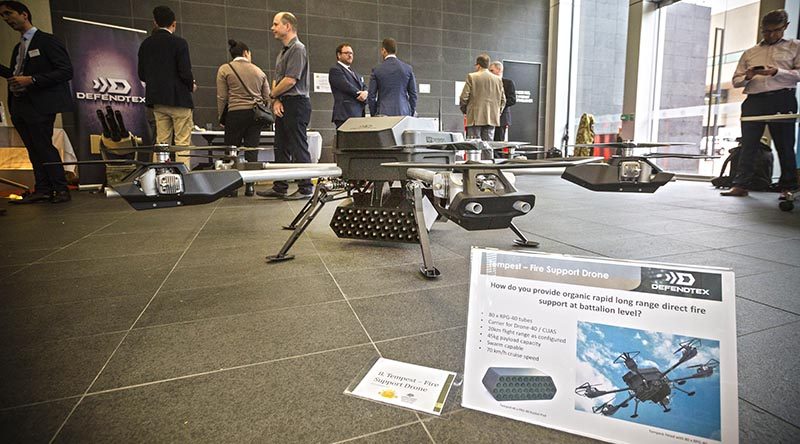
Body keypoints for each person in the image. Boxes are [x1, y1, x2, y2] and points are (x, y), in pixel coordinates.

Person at [0, 1, 73, 204]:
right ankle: (42, 188)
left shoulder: (47, 41)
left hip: (41, 103)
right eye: (3, 16)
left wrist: (32, 79)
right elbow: (16, 74)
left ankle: (60, 189)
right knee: (33, 148)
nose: (6, 19)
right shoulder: (18, 47)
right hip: (20, 104)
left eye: (9, 13)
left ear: (24, 14)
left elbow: (66, 71)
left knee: (44, 146)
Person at [724, 9, 799, 199]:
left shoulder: (795, 46)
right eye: (766, 31)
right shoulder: (751, 52)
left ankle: (788, 187)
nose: (771, 35)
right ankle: (740, 185)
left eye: (776, 30)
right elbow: (736, 81)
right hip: (754, 100)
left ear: (786, 27)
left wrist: (777, 72)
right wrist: (748, 76)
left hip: (782, 99)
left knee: (785, 145)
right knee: (748, 145)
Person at [257, 12, 312, 200]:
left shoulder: (298, 49)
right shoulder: (283, 52)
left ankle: (306, 188)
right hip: (284, 102)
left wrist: (272, 95)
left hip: (297, 103)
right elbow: (277, 80)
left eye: (275, 24)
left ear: (287, 26)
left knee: (298, 146)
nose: (272, 28)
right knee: (280, 146)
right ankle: (280, 186)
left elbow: (290, 80)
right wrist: (276, 100)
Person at [216, 39, 270, 196]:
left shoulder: (225, 69)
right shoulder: (259, 71)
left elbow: (222, 96)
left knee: (232, 150)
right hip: (255, 116)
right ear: (246, 53)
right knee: (252, 150)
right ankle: (250, 186)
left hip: (235, 113)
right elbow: (267, 97)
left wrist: (222, 117)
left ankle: (232, 188)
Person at [137, 5, 195, 147]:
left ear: (155, 23)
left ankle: (161, 169)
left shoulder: (146, 44)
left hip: (157, 100)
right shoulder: (179, 43)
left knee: (162, 143)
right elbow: (185, 72)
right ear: (174, 23)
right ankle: (182, 169)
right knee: (182, 142)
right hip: (179, 99)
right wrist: (191, 85)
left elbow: (142, 74)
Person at [459, 54, 505, 141]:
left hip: (475, 118)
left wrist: (465, 110)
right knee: (488, 147)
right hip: (491, 119)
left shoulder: (472, 77)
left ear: (478, 65)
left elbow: (463, 97)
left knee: (474, 148)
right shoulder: (498, 79)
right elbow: (503, 100)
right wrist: (497, 112)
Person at [367, 38, 417, 117]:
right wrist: (410, 112)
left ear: (383, 50)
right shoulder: (407, 69)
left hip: (383, 113)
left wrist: (374, 114)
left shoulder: (377, 70)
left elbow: (371, 96)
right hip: (403, 113)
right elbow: (413, 94)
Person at [329, 42, 367, 128]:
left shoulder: (355, 73)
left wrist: (366, 93)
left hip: (358, 115)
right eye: (346, 53)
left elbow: (363, 85)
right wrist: (359, 94)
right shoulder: (335, 70)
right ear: (339, 55)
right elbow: (345, 86)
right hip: (345, 114)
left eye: (351, 53)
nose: (350, 55)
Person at [489, 61, 516, 142]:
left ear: (499, 69)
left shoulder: (508, 83)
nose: (490, 73)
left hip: (502, 117)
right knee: (488, 142)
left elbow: (512, 100)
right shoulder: (489, 83)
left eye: (492, 70)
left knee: (499, 141)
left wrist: (498, 105)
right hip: (489, 117)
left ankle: (498, 155)